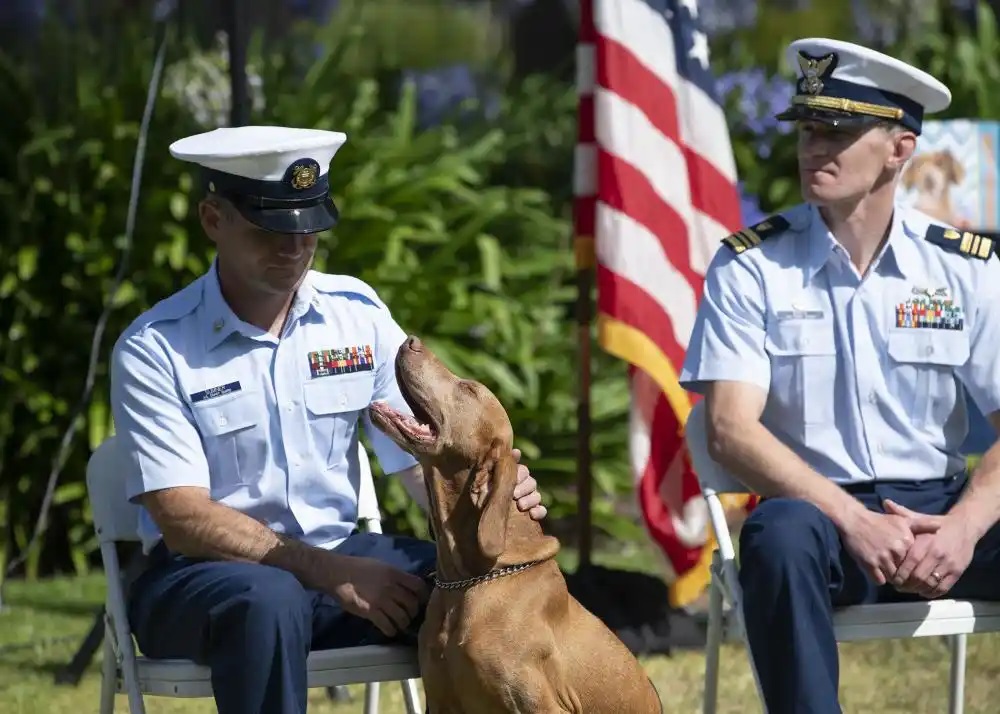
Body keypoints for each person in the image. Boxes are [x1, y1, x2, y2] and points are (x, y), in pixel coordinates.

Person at [109, 125, 547, 714]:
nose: (293, 248)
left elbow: (424, 456)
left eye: (308, 228)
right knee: (267, 600)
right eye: (271, 230)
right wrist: (328, 570)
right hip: (204, 581)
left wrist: (489, 495)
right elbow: (183, 518)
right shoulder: (156, 347)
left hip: (343, 560)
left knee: (485, 581)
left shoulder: (355, 316)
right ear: (214, 219)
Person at [679, 37, 1000, 714]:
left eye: (840, 129)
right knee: (777, 539)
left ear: (899, 148)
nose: (814, 146)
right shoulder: (752, 267)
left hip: (939, 514)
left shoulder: (964, 268)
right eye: (808, 128)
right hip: (822, 519)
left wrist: (966, 526)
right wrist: (853, 520)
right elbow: (731, 431)